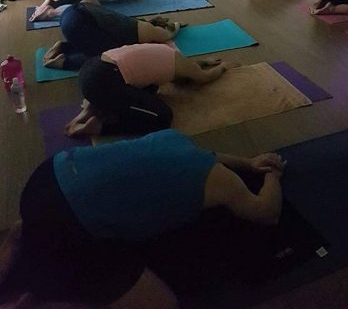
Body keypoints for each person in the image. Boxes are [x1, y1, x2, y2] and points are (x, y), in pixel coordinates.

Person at [0, 130, 284, 308]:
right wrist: (272, 174)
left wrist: (248, 162)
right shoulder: (225, 184)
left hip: (46, 177)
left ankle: (17, 241)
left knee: (44, 226)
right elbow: (267, 213)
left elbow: (209, 155)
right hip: (69, 223)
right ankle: (44, 299)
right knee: (165, 303)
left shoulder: (174, 138)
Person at [70, 44, 239, 137]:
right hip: (103, 83)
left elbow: (187, 66)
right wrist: (223, 67)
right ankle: (100, 127)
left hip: (91, 69)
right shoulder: (183, 66)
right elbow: (205, 77)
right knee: (163, 117)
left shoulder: (168, 51)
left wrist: (203, 61)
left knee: (151, 86)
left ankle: (91, 108)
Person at [43, 0, 181, 71]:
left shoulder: (131, 22)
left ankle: (64, 46)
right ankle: (64, 62)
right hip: (77, 24)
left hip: (72, 12)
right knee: (111, 57)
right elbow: (168, 35)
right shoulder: (146, 30)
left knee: (99, 41)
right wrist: (177, 26)